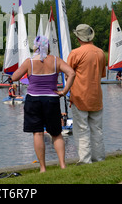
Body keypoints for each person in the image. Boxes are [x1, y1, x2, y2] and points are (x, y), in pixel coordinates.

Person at [12, 35, 75, 173]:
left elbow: (14, 77)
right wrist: (64, 91)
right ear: (48, 47)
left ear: (35, 47)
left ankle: (42, 168)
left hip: (33, 100)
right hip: (51, 100)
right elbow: (72, 73)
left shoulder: (29, 62)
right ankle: (63, 165)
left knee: (38, 133)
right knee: (56, 133)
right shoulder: (56, 60)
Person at [67, 24, 106, 165]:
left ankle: (85, 160)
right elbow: (101, 75)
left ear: (78, 37)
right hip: (96, 97)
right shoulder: (101, 53)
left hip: (79, 97)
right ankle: (99, 158)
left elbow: (68, 75)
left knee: (81, 130)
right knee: (97, 130)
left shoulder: (75, 53)